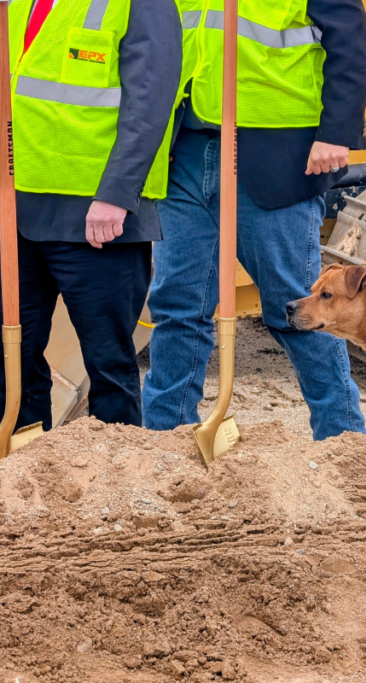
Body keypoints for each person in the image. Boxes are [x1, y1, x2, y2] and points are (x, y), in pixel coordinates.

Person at [142, 0, 366, 440]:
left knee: (301, 308)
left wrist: (336, 132)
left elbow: (351, 42)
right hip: (185, 147)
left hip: (276, 156)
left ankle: (343, 440)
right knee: (176, 305)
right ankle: (165, 438)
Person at [0, 0, 181, 429]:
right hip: (17, 207)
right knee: (13, 359)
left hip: (97, 218)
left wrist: (117, 194)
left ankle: (116, 484)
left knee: (108, 365)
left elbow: (149, 102)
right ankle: (28, 470)